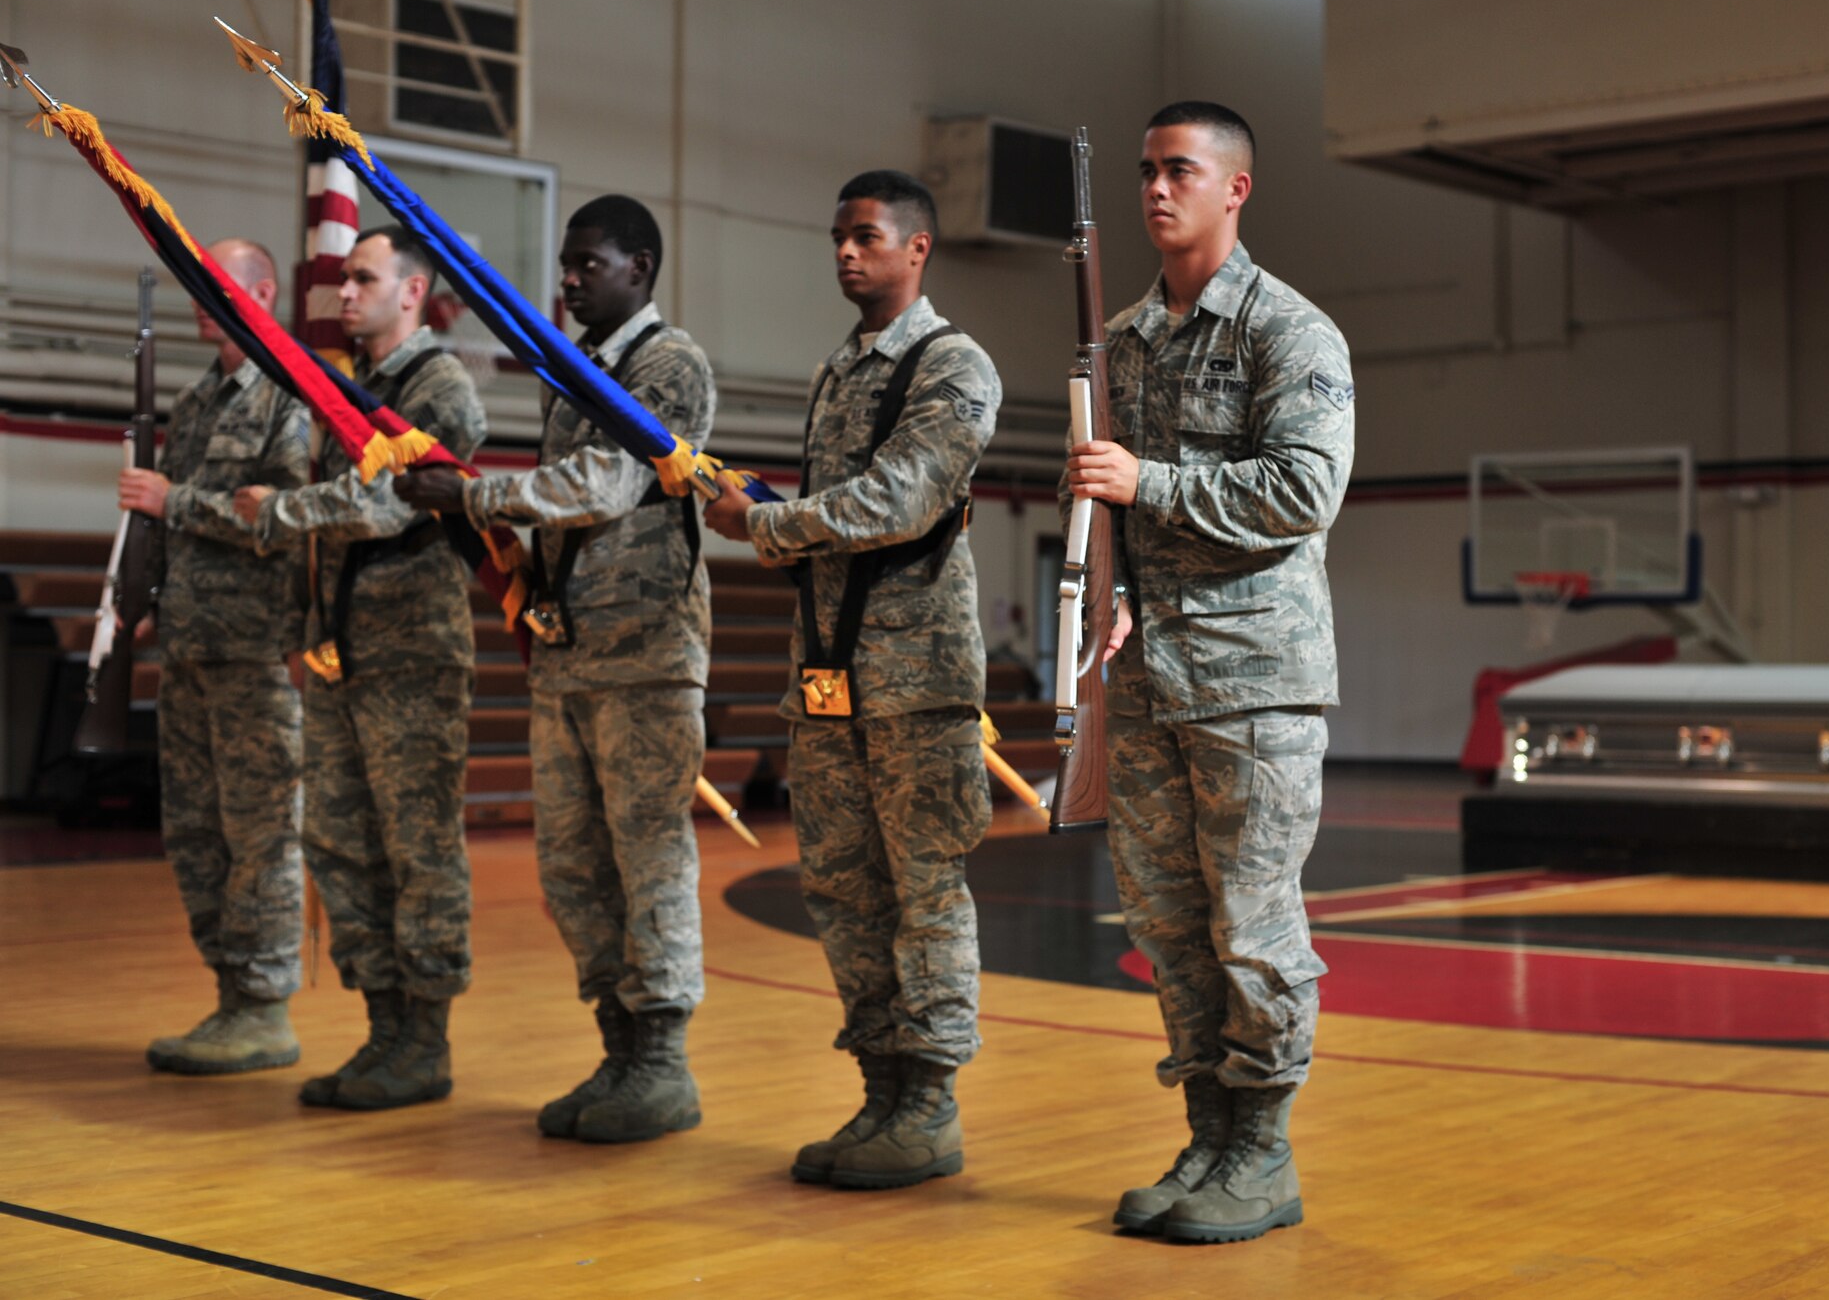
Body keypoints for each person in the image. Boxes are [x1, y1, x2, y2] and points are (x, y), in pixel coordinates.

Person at [1064, 102, 1353, 1244]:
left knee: (1252, 923)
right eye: (1144, 171)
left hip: (1253, 681)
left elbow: (1299, 491)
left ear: (1235, 187)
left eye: (1178, 170)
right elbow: (1111, 510)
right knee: (1168, 922)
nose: (1154, 189)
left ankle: (1262, 1150)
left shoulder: (1288, 331)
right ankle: (1205, 1131)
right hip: (1148, 680)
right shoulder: (1121, 340)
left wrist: (1151, 484)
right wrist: (1116, 584)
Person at [396, 194, 714, 1144]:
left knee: (647, 857)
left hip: (647, 650)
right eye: (567, 265)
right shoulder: (569, 375)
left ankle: (662, 1062)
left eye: (590, 264)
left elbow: (605, 485)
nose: (569, 280)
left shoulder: (670, 364)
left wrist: (475, 490)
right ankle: (619, 1048)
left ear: (641, 268)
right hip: (570, 645)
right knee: (573, 864)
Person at [704, 170, 998, 1190]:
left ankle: (927, 1102)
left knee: (922, 891)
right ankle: (880, 1085)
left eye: (865, 235)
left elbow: (906, 497)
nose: (843, 251)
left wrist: (768, 525)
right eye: (836, 235)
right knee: (840, 886)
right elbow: (840, 507)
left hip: (914, 676)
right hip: (827, 671)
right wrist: (761, 505)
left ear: (916, 248)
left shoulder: (952, 363)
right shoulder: (838, 371)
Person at [235, 226, 486, 1110]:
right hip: (342, 649)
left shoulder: (438, 386)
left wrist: (284, 508)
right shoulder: (352, 388)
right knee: (340, 840)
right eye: (344, 278)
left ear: (413, 292)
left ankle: (425, 1037)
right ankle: (384, 1025)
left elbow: (386, 504)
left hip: (412, 652)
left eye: (364, 278)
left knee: (417, 848)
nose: (345, 293)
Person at [119, 238, 310, 1075]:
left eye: (221, 280)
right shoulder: (197, 401)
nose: (205, 295)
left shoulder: (292, 396)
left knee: (261, 831)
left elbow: (292, 515)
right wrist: (152, 601)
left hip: (255, 649)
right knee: (194, 829)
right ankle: (230, 993)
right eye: (195, 280)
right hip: (191, 644)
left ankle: (265, 1004)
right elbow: (167, 524)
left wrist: (178, 500)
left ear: (264, 291)